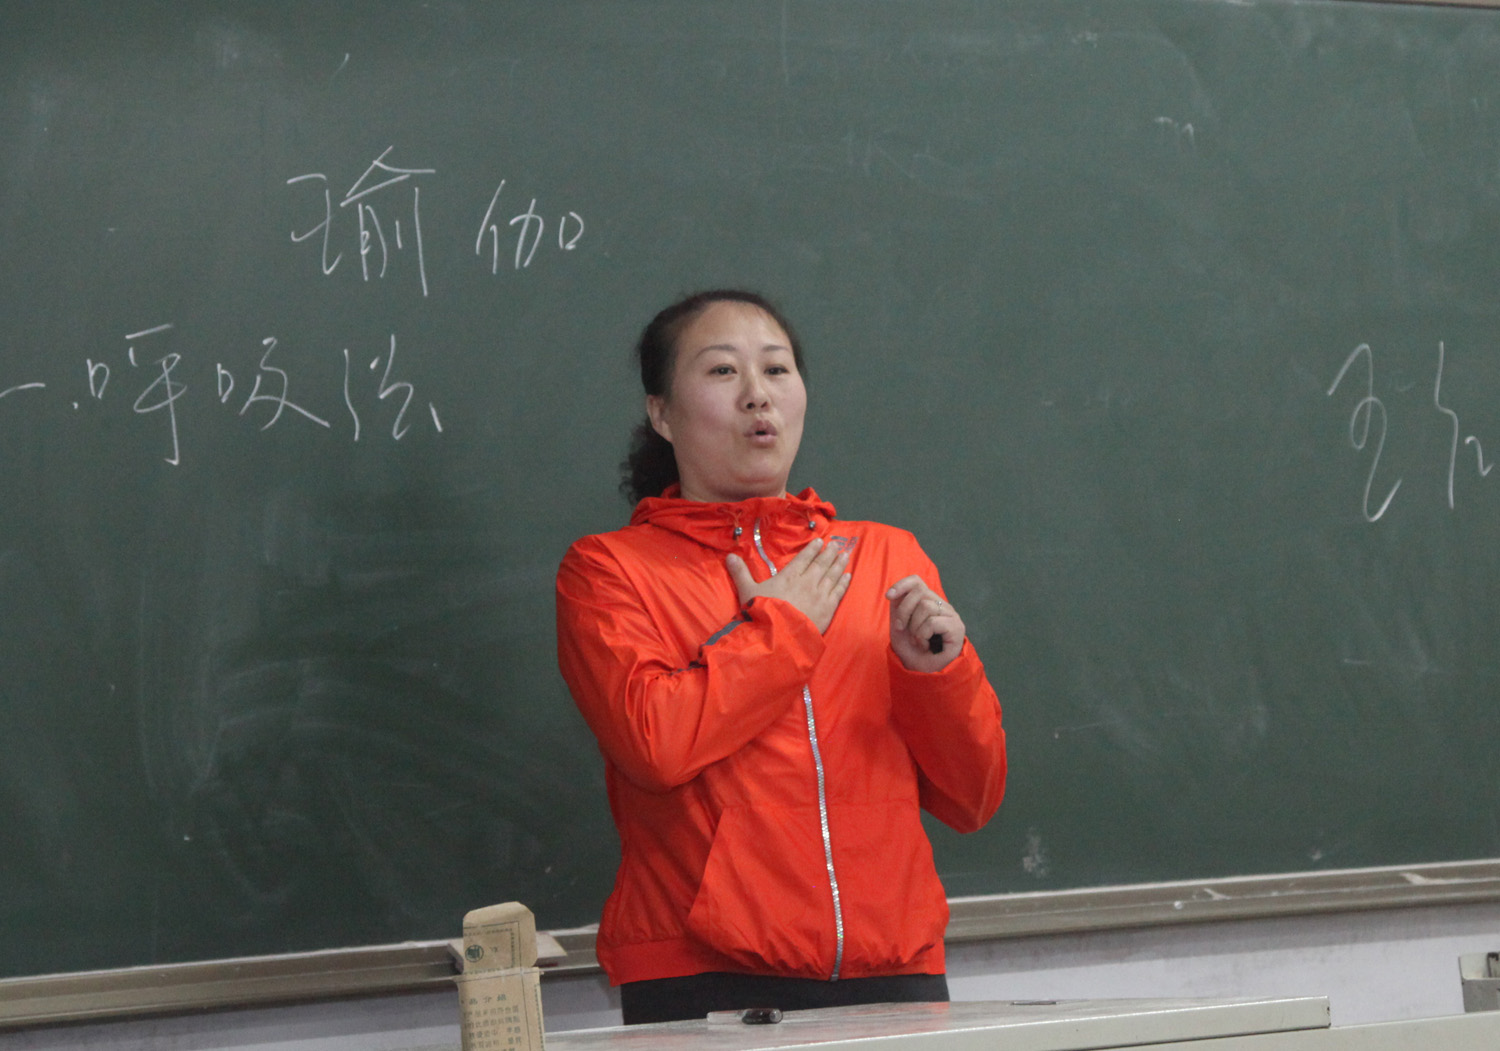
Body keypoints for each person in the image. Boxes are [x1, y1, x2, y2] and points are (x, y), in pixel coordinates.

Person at [555, 290, 1006, 1025]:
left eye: (776, 369)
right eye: (722, 371)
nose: (757, 395)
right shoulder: (610, 570)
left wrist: (938, 676)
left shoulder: (886, 556)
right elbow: (655, 744)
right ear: (662, 414)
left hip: (896, 965)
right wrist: (783, 630)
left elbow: (972, 797)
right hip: (704, 975)